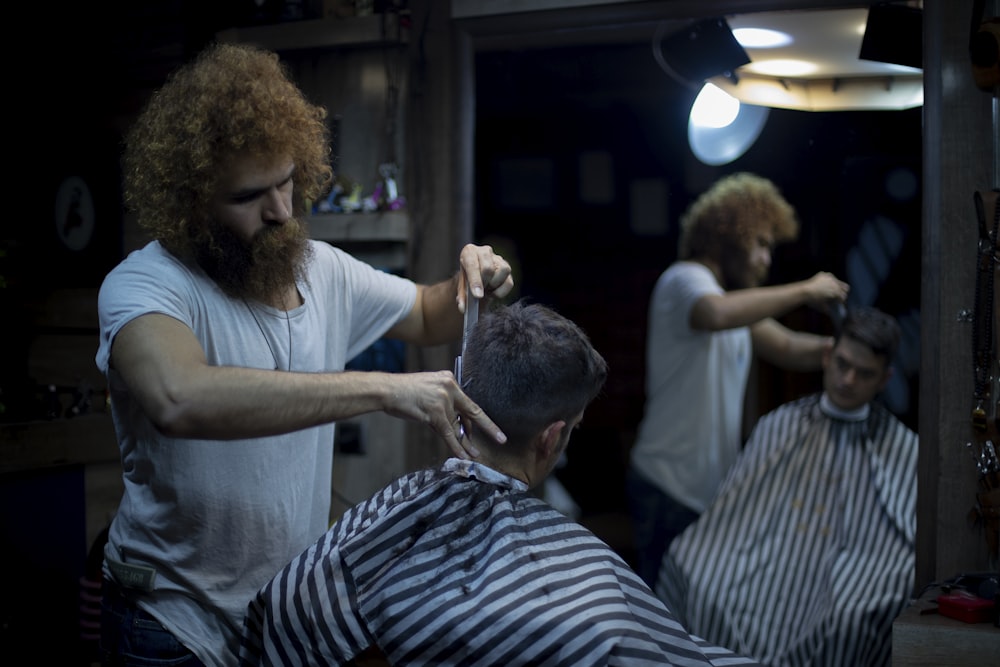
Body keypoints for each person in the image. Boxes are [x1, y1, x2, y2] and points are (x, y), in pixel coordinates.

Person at [95, 43, 513, 667]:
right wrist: (382, 388)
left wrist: (484, 275)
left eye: (288, 180)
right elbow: (177, 398)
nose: (283, 210)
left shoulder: (323, 272)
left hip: (281, 617)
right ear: (190, 202)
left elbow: (430, 313)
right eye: (248, 196)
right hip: (171, 624)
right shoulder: (146, 286)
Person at [238, 300, 762, 667]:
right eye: (572, 430)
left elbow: (283, 613)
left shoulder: (387, 517)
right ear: (551, 437)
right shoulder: (590, 608)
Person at [655, 306, 918, 667]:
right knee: (690, 568)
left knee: (849, 616)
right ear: (828, 356)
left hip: (840, 578)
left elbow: (904, 544)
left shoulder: (902, 447)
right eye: (843, 364)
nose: (848, 380)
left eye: (865, 373)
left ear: (885, 379)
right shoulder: (780, 423)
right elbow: (731, 513)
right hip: (764, 562)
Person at [626, 172, 850, 587]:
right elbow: (716, 314)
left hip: (702, 492)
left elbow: (785, 346)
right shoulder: (686, 280)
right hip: (667, 485)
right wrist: (805, 290)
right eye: (761, 244)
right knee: (663, 625)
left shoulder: (729, 301)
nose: (767, 259)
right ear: (729, 234)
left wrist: (847, 353)